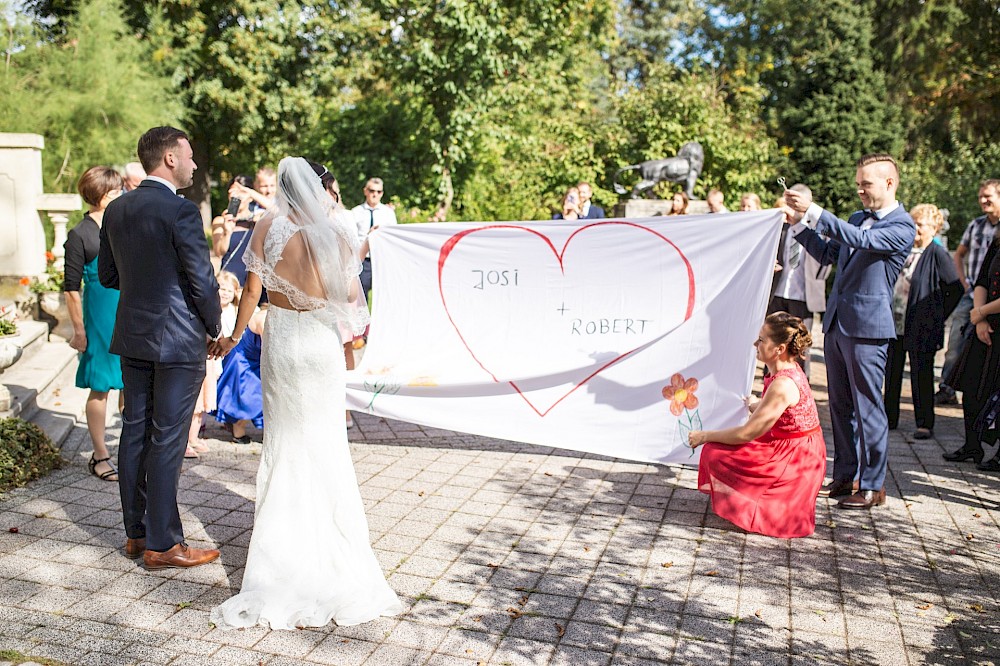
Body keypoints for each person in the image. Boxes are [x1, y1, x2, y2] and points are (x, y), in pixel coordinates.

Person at [209, 157, 401, 629]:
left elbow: (251, 291)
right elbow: (347, 294)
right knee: (326, 443)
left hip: (281, 340)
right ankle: (336, 553)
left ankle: (279, 560)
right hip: (319, 342)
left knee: (283, 443)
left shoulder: (268, 225)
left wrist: (234, 337)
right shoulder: (335, 230)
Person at [99, 126, 222, 568]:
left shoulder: (117, 210)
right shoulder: (181, 211)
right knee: (168, 438)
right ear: (169, 158)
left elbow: (110, 277)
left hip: (133, 333)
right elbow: (201, 279)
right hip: (177, 338)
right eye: (189, 156)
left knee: (135, 430)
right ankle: (164, 543)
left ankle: (136, 534)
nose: (193, 164)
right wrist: (214, 326)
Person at [783, 153, 916, 510]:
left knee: (869, 407)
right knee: (840, 406)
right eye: (858, 183)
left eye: (866, 184)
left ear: (890, 183)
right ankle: (845, 475)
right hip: (838, 324)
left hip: (869, 329)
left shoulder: (903, 225)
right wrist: (798, 224)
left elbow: (860, 240)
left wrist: (815, 211)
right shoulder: (858, 217)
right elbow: (828, 254)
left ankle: (873, 486)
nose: (859, 190)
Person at [689, 312, 827, 538]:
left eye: (762, 340)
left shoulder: (783, 384)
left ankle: (760, 505)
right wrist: (755, 404)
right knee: (723, 450)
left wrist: (705, 435)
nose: (756, 343)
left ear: (779, 349)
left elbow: (746, 433)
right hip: (791, 446)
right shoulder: (785, 371)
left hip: (796, 458)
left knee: (714, 453)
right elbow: (778, 411)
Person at [64, 166, 126, 482]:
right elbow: (71, 288)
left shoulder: (121, 224)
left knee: (131, 378)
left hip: (128, 308)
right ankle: (100, 455)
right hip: (99, 314)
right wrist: (78, 330)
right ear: (101, 196)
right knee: (101, 384)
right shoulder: (79, 234)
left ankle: (131, 449)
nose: (122, 195)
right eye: (116, 191)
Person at [883, 205, 962, 440]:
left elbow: (955, 289)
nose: (916, 228)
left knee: (921, 374)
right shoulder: (904, 249)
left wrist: (937, 314)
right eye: (913, 223)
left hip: (921, 325)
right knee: (892, 370)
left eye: (921, 224)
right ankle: (889, 418)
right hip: (896, 321)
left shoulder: (937, 253)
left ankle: (924, 422)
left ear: (934, 228)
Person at [935, 180, 1000, 406]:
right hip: (973, 293)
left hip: (994, 298)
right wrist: (963, 282)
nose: (983, 201)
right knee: (955, 341)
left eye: (988, 196)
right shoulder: (976, 225)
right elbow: (959, 254)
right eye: (980, 196)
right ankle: (947, 387)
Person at [313, 161, 364, 428]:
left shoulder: (343, 218)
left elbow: (353, 257)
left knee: (344, 347)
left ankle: (346, 407)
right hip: (318, 292)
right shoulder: (306, 219)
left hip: (341, 290)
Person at [943, 231, 1000, 471]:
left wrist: (982, 311)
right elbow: (981, 282)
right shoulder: (997, 240)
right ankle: (972, 446)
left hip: (991, 317)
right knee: (971, 385)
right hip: (985, 325)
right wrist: (980, 319)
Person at [769, 183, 830, 380]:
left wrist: (817, 280)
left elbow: (826, 261)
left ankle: (800, 385)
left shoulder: (818, 229)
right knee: (773, 340)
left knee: (799, 345)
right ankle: (771, 382)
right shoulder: (783, 227)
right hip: (779, 290)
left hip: (804, 294)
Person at [187, 271, 240, 457]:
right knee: (195, 403)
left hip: (216, 363)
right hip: (206, 357)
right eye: (221, 289)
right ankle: (185, 441)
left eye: (229, 290)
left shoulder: (234, 311)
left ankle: (193, 438)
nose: (225, 293)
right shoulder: (210, 311)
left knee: (202, 404)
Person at [213, 301, 265, 444]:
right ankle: (238, 430)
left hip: (257, 361)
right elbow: (269, 350)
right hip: (243, 361)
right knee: (249, 398)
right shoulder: (264, 319)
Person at [351, 177, 398, 302]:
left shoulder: (388, 213)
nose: (375, 194)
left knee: (384, 297)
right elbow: (351, 238)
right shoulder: (355, 212)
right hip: (363, 260)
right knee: (361, 298)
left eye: (379, 191)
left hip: (382, 260)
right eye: (372, 190)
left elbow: (393, 238)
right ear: (365, 191)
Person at [212, 175, 256, 286]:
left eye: (242, 192)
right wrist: (227, 232)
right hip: (229, 282)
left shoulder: (258, 220)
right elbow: (218, 252)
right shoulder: (220, 221)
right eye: (233, 192)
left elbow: (276, 211)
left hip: (252, 281)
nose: (237, 196)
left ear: (251, 196)